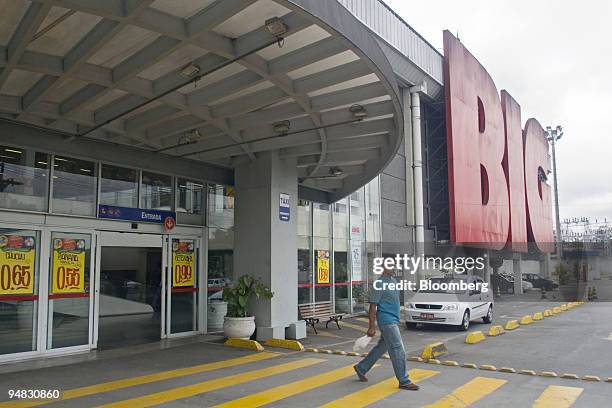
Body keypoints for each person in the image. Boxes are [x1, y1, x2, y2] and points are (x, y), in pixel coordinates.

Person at [353, 266, 419, 390]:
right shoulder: (379, 284)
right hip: (387, 321)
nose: (394, 268)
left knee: (382, 347)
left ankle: (362, 367)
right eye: (390, 266)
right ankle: (404, 380)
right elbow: (373, 307)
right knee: (398, 349)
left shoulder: (393, 280)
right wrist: (371, 327)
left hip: (393, 319)